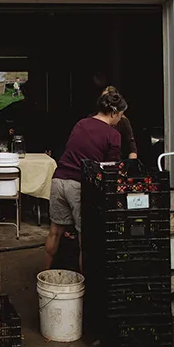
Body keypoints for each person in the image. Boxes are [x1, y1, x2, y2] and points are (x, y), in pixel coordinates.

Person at [44, 87, 128, 270]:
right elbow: (110, 169)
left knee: (55, 231)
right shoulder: (113, 135)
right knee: (85, 240)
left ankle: (45, 276)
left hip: (58, 180)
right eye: (120, 114)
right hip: (79, 185)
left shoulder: (81, 123)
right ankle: (85, 287)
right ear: (114, 112)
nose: (120, 119)